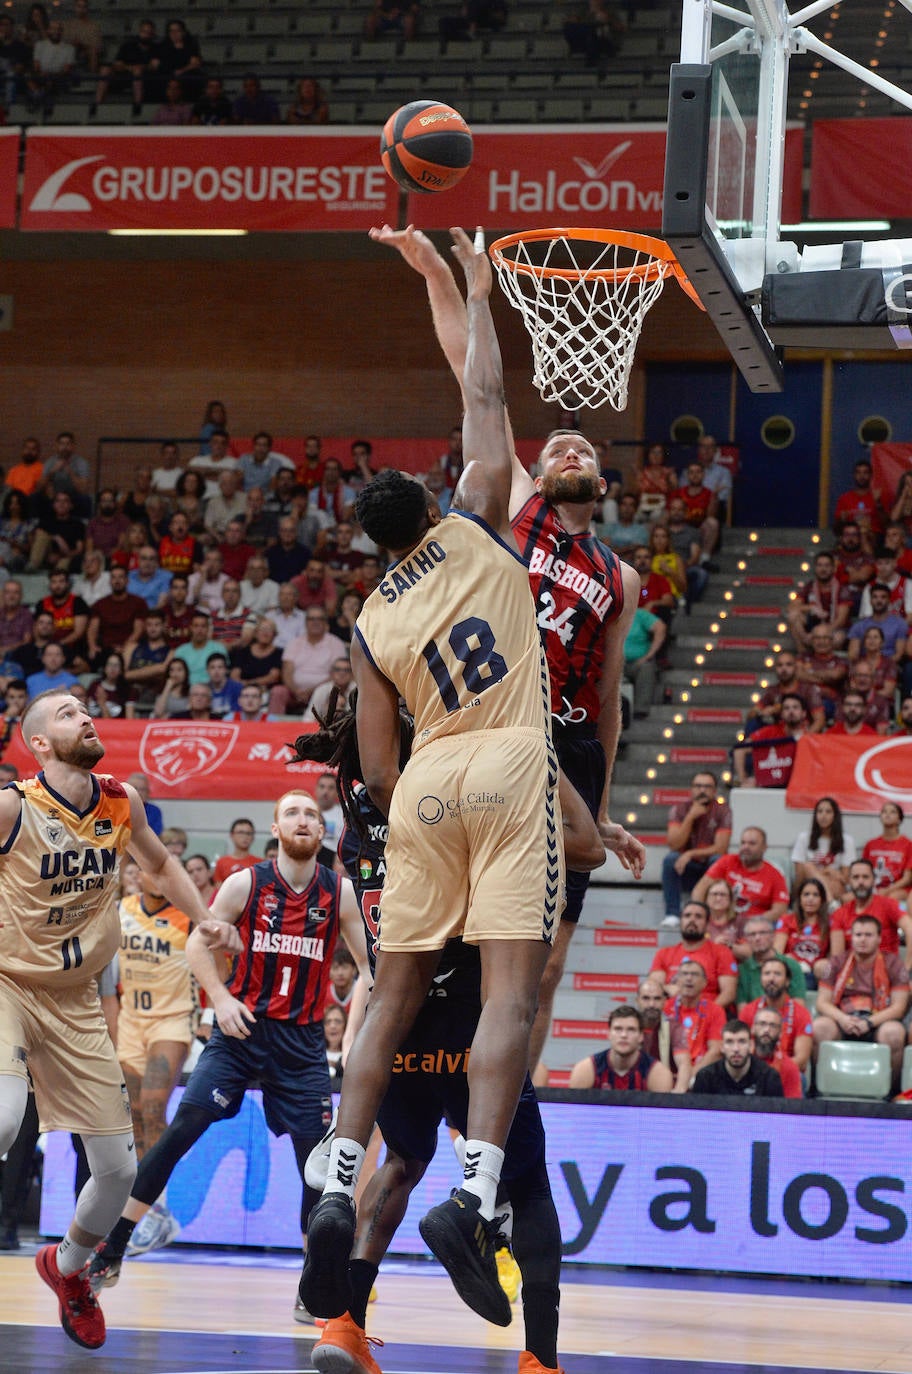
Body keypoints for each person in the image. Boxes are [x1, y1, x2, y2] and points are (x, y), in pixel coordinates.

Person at [300, 229, 569, 1329]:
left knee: (394, 994)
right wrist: (468, 287)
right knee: (512, 993)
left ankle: (333, 1173)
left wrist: (391, 813)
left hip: (423, 787)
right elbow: (486, 391)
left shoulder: (371, 616)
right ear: (433, 499)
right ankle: (476, 1190)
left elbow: (371, 761)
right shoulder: (477, 524)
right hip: (509, 760)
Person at [368, 223, 643, 1073]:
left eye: (582, 449)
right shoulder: (512, 506)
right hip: (491, 726)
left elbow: (607, 692)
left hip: (567, 738)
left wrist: (599, 795)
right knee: (457, 949)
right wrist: (439, 277)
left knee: (545, 959)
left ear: (599, 482)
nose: (565, 449)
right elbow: (470, 374)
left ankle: (515, 1097)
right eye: (556, 444)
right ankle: (429, 1083)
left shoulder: (622, 577)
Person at [293, 686, 608, 1372]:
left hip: (396, 1019)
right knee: (527, 1185)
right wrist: (542, 763)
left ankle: (341, 1325)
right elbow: (582, 847)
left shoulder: (357, 814)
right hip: (472, 1015)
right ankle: (540, 1360)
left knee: (400, 1164)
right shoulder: (460, 786)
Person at [0, 688, 217, 1349]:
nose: (85, 716)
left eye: (87, 709)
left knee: (119, 1173)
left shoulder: (121, 802)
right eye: (66, 714)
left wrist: (206, 918)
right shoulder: (13, 806)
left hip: (78, 1001)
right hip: (8, 985)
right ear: (38, 743)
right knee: (5, 1118)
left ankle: (67, 1269)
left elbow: (158, 862)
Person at [88, 790, 369, 1292]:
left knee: (316, 1167)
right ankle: (116, 1244)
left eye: (311, 814)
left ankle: (314, 1283)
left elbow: (370, 970)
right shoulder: (246, 883)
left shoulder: (338, 892)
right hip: (240, 1032)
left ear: (322, 830)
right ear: (276, 828)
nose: (303, 821)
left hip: (302, 1042)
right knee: (181, 1130)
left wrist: (350, 1038)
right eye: (292, 814)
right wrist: (218, 998)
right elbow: (201, 939)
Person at [114, 867, 197, 1250]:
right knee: (132, 1115)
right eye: (150, 872)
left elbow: (217, 967)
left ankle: (159, 1211)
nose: (158, 878)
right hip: (130, 1021)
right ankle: (147, 1208)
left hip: (171, 1020)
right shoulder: (122, 909)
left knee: (152, 1108)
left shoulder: (188, 914)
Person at [813, 915, 910, 1085]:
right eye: (858, 935)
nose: (862, 940)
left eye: (868, 935)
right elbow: (822, 1002)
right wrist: (842, 1019)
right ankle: (817, 1085)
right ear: (851, 937)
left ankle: (892, 1091)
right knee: (820, 1027)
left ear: (879, 938)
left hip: (878, 1020)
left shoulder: (894, 964)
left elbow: (899, 1007)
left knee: (894, 1033)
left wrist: (869, 1022)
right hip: (843, 1019)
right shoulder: (836, 962)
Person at [661, 771, 732, 928]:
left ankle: (715, 914)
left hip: (710, 870)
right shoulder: (679, 810)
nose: (702, 790)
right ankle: (672, 914)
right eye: (698, 786)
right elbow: (674, 844)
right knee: (670, 859)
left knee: (718, 860)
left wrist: (690, 853)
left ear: (714, 791)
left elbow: (721, 848)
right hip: (687, 869)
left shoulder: (723, 811)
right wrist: (691, 817)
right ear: (691, 789)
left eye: (707, 787)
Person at [692, 826, 789, 927]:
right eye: (743, 843)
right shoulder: (727, 861)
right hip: (721, 921)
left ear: (764, 847)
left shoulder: (775, 875)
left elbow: (780, 911)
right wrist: (707, 915)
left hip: (754, 928)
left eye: (752, 843)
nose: (746, 847)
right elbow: (699, 891)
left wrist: (751, 922)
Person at [649, 900, 737, 1007]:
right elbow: (653, 986)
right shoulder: (663, 953)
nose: (692, 920)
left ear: (707, 924)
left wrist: (707, 1015)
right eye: (687, 916)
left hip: (709, 1015)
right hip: (672, 1015)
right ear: (681, 921)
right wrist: (667, 988)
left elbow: (729, 993)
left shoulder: (721, 952)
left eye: (698, 916)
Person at [829, 858, 912, 970]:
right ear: (849, 881)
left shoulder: (888, 904)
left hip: (886, 970)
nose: (861, 882)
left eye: (865, 877)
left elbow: (910, 928)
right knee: (823, 967)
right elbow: (837, 957)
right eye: (856, 877)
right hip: (854, 973)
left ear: (874, 880)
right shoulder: (840, 913)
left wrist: (907, 967)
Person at [569, 1005, 673, 1091]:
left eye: (631, 1030)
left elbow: (661, 1115)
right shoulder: (586, 1070)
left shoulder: (658, 1074)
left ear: (641, 1036)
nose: (624, 1035)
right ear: (608, 1034)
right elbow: (573, 1113)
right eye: (618, 1029)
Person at [739, 953, 814, 1072]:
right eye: (767, 974)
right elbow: (741, 1049)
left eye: (777, 974)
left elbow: (802, 1059)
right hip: (753, 1072)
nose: (771, 979)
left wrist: (771, 1073)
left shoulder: (801, 1014)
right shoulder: (748, 1011)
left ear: (787, 981)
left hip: (786, 1072)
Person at [663, 960, 725, 1079]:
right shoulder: (665, 1008)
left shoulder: (715, 1011)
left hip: (700, 1074)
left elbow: (716, 1050)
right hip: (668, 1073)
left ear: (704, 983)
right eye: (684, 974)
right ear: (677, 981)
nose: (689, 978)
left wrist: (689, 1075)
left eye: (694, 974)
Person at [790, 796, 856, 907]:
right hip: (808, 884)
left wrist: (827, 874)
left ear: (835, 816)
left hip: (835, 885)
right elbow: (800, 873)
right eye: (819, 811)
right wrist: (826, 871)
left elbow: (846, 878)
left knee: (837, 885)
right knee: (808, 866)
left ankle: (830, 905)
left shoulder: (847, 840)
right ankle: (830, 902)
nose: (823, 815)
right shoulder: (804, 837)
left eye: (828, 811)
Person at [691, 1020, 784, 1097]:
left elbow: (776, 1117)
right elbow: (698, 1117)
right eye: (729, 1042)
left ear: (751, 1046)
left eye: (742, 1041)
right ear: (722, 1047)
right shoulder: (706, 1077)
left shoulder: (769, 1077)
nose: (736, 1049)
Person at [635, 976, 691, 1092]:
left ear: (664, 1001)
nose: (651, 1004)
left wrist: (679, 1091)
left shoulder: (674, 1027)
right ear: (637, 1001)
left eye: (657, 999)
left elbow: (683, 1063)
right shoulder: (629, 1026)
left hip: (664, 1091)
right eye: (646, 998)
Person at [736, 917, 807, 1005]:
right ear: (746, 939)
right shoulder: (742, 970)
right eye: (752, 934)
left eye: (762, 933)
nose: (757, 938)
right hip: (753, 1017)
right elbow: (742, 1011)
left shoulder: (791, 965)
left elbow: (799, 1005)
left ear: (773, 936)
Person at [774, 878, 831, 986]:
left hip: (816, 972)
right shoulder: (787, 920)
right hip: (792, 970)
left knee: (824, 966)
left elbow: (834, 956)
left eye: (816, 895)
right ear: (799, 899)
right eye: (806, 894)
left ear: (822, 900)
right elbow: (777, 953)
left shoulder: (830, 922)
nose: (810, 899)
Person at [750, 1006, 803, 1098]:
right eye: (762, 1024)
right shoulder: (741, 1060)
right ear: (753, 1028)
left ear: (780, 1033)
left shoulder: (789, 1067)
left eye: (773, 1025)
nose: (767, 1030)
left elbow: (792, 1107)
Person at [863, 801, 912, 900]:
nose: (887, 814)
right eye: (884, 811)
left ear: (899, 819)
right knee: (848, 898)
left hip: (898, 889)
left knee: (889, 898)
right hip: (873, 887)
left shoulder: (908, 845)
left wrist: (888, 890)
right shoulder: (871, 844)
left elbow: (908, 878)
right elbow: (863, 871)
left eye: (892, 812)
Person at [212, 818, 261, 887]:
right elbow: (218, 889)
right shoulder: (221, 862)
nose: (245, 837)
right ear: (232, 835)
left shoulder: (260, 863)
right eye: (240, 832)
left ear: (253, 837)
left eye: (248, 833)